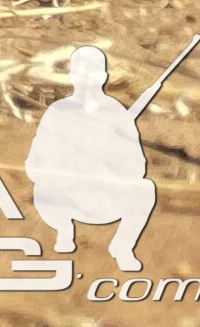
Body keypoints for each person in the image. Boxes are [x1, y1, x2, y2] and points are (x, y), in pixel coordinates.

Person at [26, 46, 157, 271]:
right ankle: (64, 231)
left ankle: (123, 246)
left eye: (93, 74)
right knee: (42, 188)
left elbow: (137, 165)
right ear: (72, 76)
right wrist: (63, 170)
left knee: (145, 189)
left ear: (104, 77)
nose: (87, 82)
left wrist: (109, 169)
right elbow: (35, 162)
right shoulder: (59, 111)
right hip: (65, 197)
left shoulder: (116, 112)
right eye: (81, 74)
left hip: (105, 197)